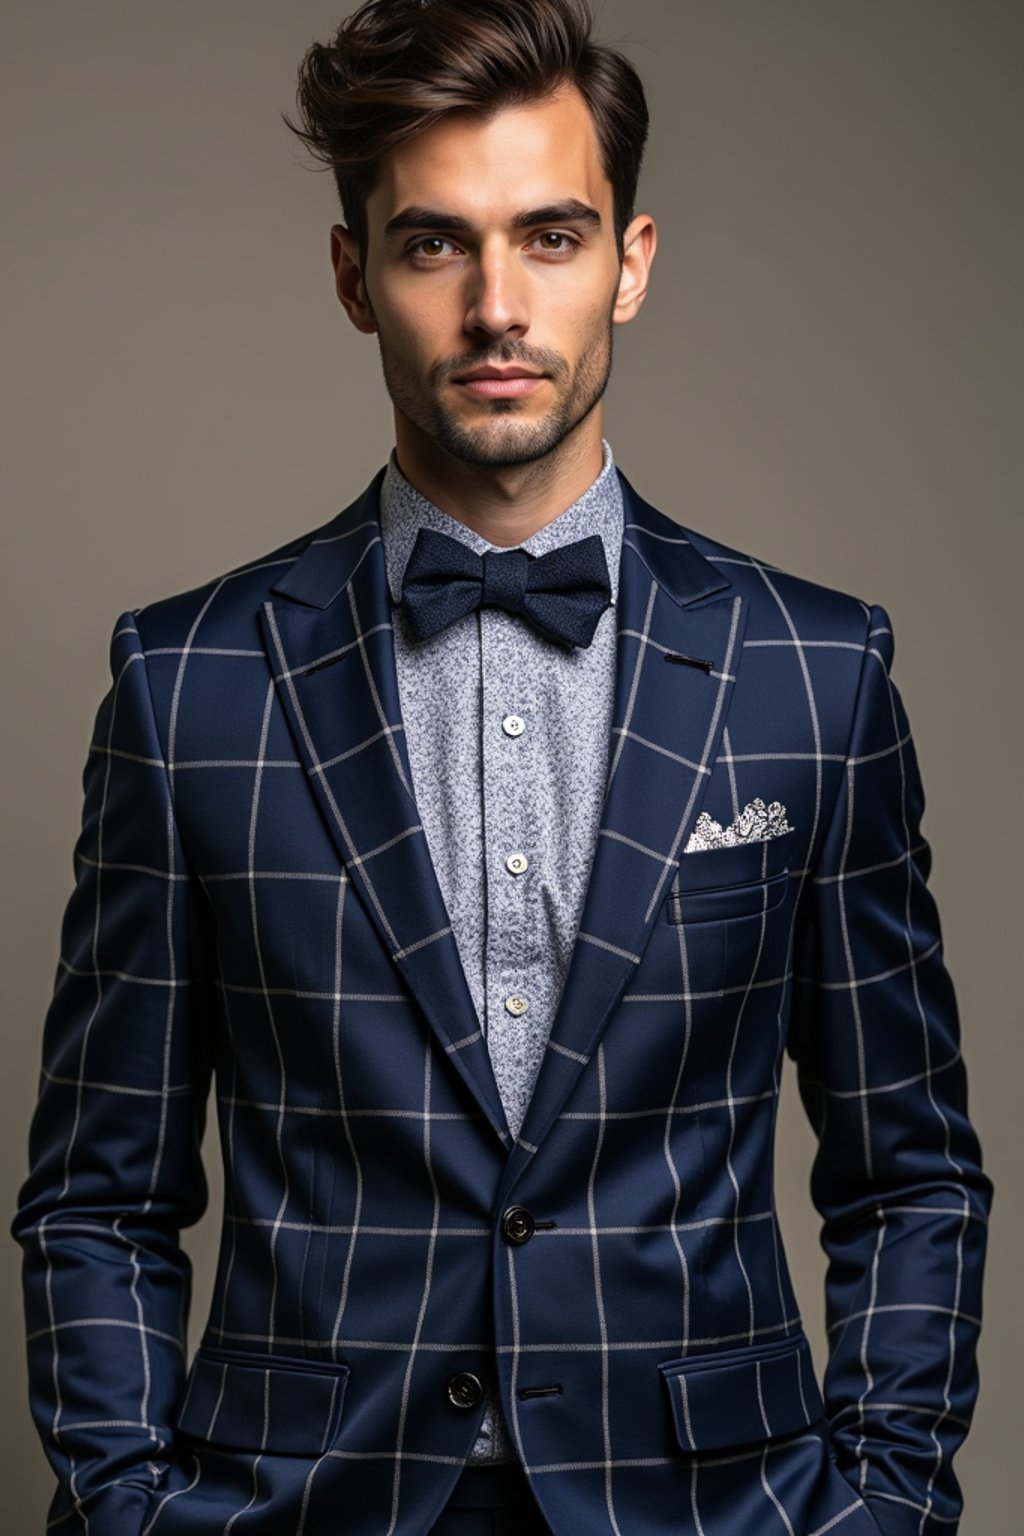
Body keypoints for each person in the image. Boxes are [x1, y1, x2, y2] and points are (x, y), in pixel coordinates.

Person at [12, 1, 991, 1532]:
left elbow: (910, 1175)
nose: (494, 307)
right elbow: (100, 1194)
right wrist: (133, 1509)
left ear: (634, 261)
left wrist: (884, 1504)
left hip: (715, 1506)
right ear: (354, 278)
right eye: (432, 245)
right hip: (297, 1503)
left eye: (550, 237)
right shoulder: (185, 683)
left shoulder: (816, 674)